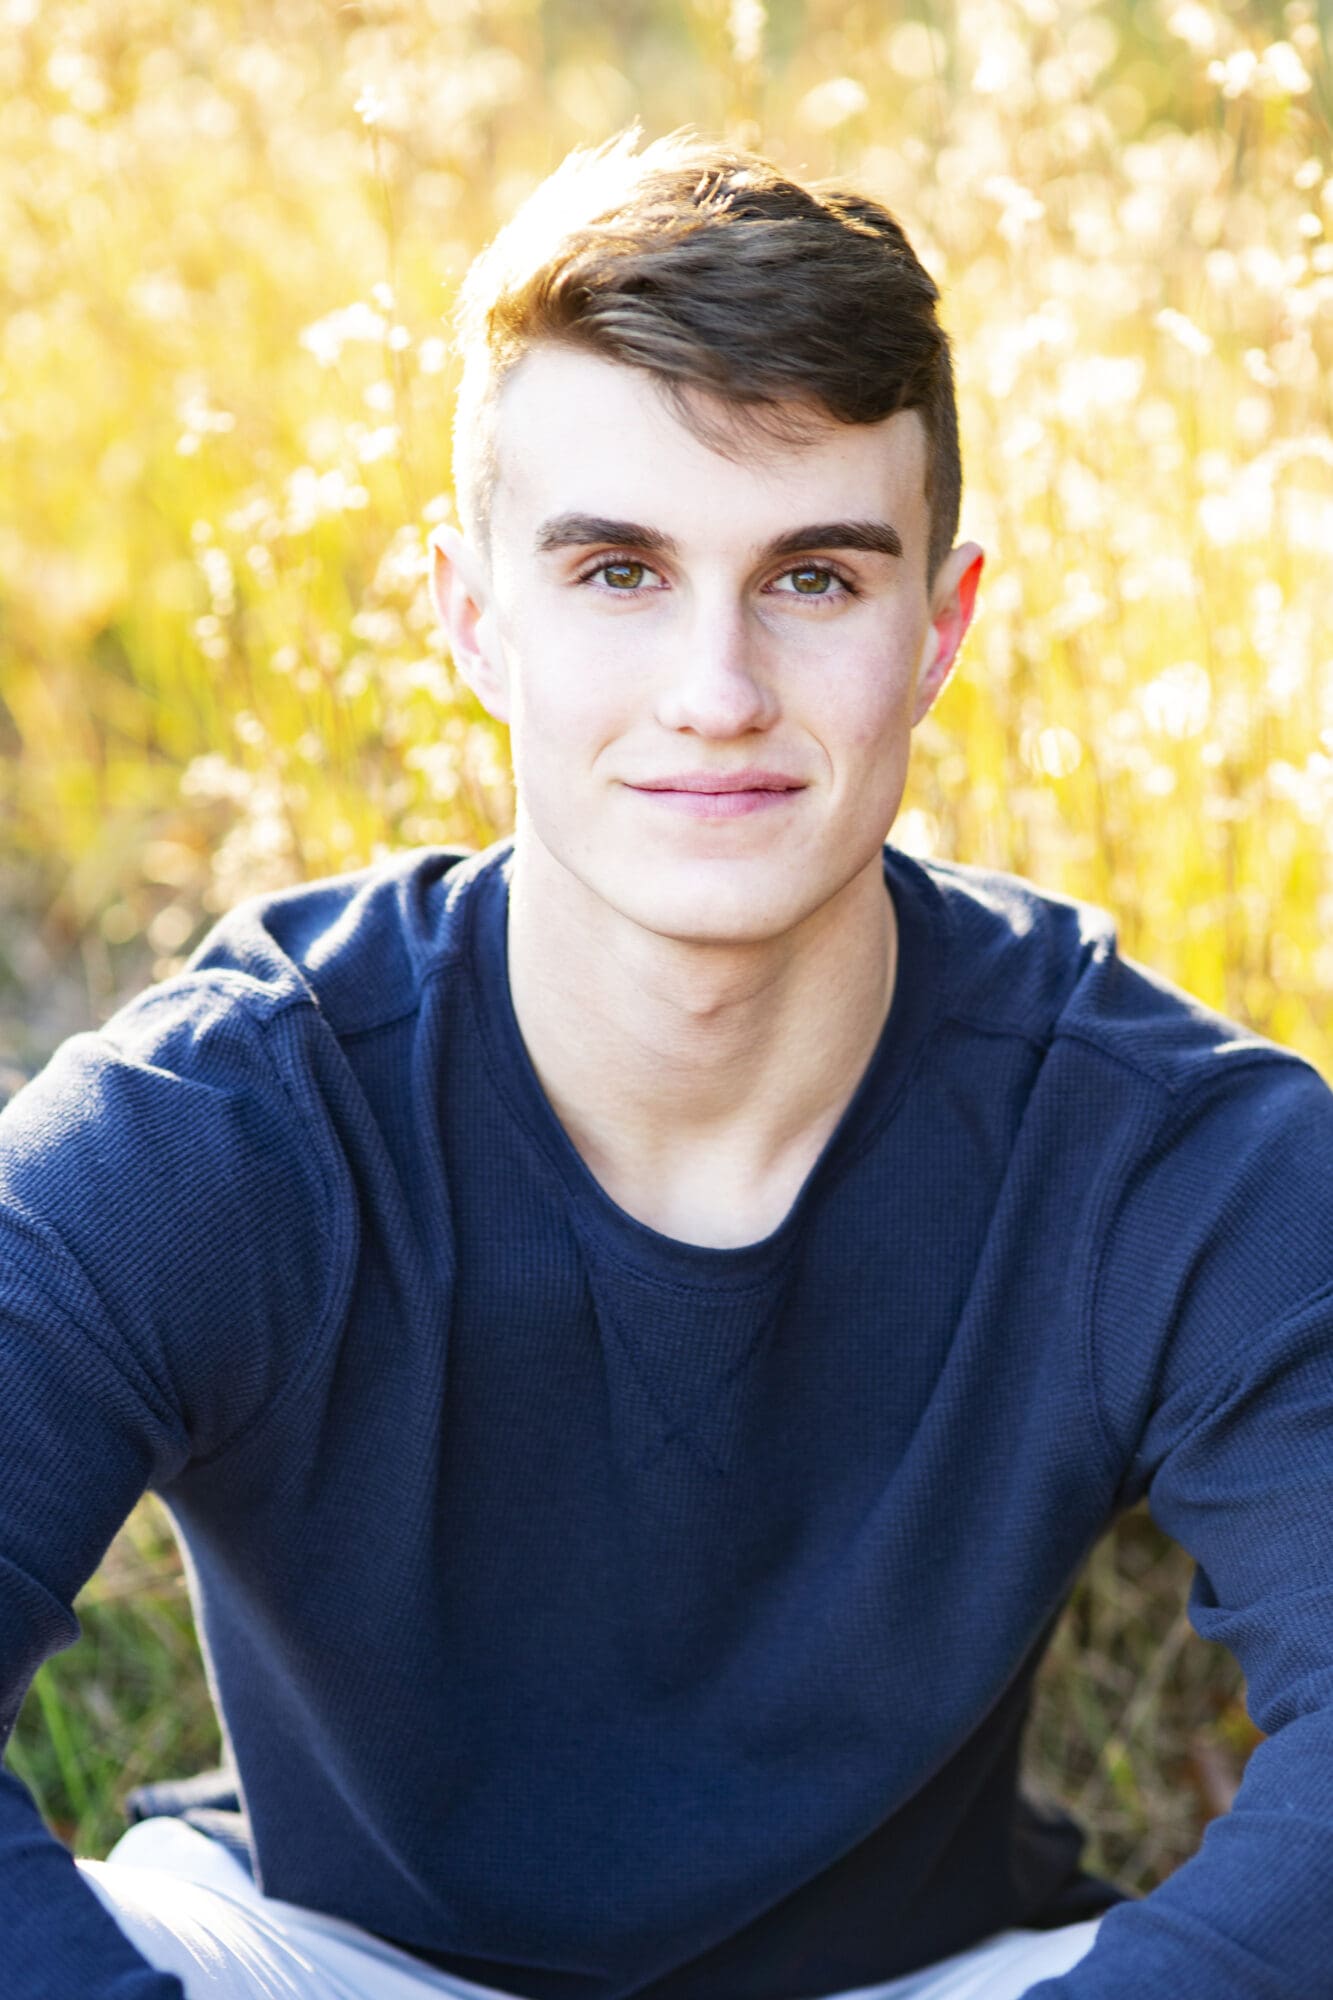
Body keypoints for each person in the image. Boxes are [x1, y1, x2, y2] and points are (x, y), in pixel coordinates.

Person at [2, 125, 1332, 2000]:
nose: (716, 689)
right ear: (474, 616)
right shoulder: (228, 1125)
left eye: (811, 578)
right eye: (618, 570)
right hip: (316, 1961)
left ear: (937, 628)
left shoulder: (1157, 1154)